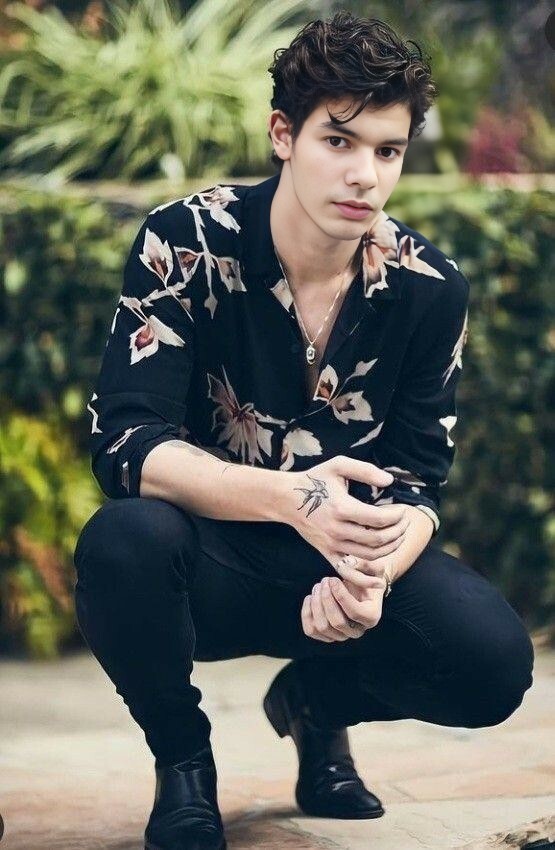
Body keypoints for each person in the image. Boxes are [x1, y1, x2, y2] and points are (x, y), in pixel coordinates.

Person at [73, 11, 535, 850]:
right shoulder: (187, 240)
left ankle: (316, 706)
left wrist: (373, 576)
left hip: (338, 565)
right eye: (338, 141)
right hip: (206, 559)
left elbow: (418, 479)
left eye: (387, 151)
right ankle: (183, 761)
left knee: (491, 664)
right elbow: (125, 443)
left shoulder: (429, 286)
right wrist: (294, 499)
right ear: (283, 134)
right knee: (121, 542)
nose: (364, 175)